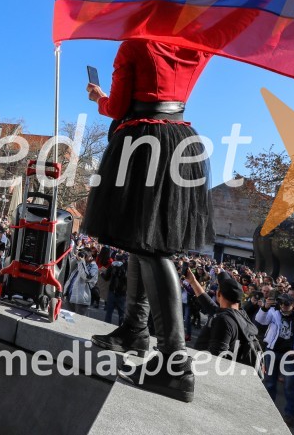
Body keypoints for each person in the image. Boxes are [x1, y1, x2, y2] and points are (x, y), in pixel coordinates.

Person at [85, 40, 215, 402]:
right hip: (180, 137)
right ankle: (134, 330)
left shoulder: (135, 42)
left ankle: (175, 363)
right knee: (141, 240)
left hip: (143, 137)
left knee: (151, 246)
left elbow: (119, 105)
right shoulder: (199, 44)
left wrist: (99, 98)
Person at [255, 293, 294, 427]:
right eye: (281, 303)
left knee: (289, 386)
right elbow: (260, 320)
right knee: (269, 383)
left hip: (289, 357)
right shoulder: (274, 313)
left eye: (286, 304)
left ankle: (290, 414)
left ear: (293, 305)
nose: (283, 306)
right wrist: (265, 307)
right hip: (272, 352)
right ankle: (266, 410)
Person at [185, 267, 259, 361]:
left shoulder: (223, 320)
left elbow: (216, 359)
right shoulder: (240, 314)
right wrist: (192, 281)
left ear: (218, 293)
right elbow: (207, 302)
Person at [65, 247, 99, 315]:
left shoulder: (93, 267)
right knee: (67, 320)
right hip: (70, 295)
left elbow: (86, 277)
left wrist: (81, 262)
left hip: (81, 300)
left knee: (78, 322)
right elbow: (69, 268)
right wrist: (77, 258)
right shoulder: (81, 263)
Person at [103, 253, 127, 325]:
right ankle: (121, 328)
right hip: (122, 292)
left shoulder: (111, 266)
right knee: (121, 313)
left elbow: (106, 278)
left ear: (115, 258)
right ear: (123, 260)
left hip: (112, 291)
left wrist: (101, 274)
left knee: (109, 312)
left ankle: (106, 326)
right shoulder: (126, 267)